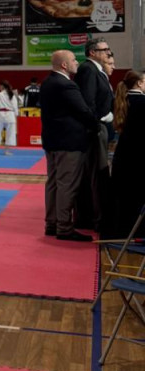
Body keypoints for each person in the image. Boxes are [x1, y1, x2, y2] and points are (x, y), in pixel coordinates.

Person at [40, 49, 99, 241]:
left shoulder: (47, 83)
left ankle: (52, 223)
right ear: (64, 65)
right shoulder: (66, 85)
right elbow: (83, 111)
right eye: (74, 60)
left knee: (53, 183)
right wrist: (96, 126)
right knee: (67, 184)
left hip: (52, 141)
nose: (77, 63)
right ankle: (64, 227)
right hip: (69, 142)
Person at [74, 39, 115, 232]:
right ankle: (94, 218)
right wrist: (96, 124)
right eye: (104, 49)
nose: (108, 52)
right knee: (96, 175)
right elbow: (87, 102)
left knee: (97, 174)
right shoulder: (88, 70)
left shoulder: (97, 71)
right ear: (92, 52)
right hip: (94, 129)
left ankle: (94, 217)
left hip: (99, 127)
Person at [110, 70, 145, 238]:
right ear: (139, 83)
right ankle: (137, 231)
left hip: (123, 155)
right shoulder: (142, 102)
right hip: (138, 157)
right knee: (137, 197)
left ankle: (123, 230)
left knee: (124, 196)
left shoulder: (121, 100)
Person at [0, 80, 18, 153]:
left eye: (0, 86)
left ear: (2, 86)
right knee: (10, 133)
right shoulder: (11, 94)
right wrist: (16, 115)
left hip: (0, 114)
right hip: (10, 115)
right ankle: (6, 150)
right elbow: (15, 106)